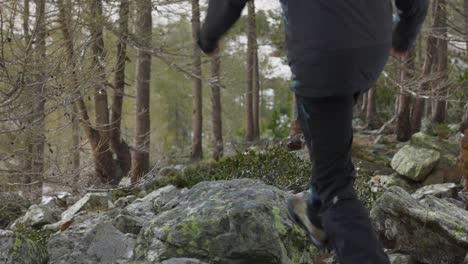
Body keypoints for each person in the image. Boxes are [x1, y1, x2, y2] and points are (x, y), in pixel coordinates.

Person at [198, 0, 428, 263]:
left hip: (322, 54)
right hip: (371, 48)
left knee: (335, 186)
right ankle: (315, 209)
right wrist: (403, 34)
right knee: (330, 136)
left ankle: (326, 202)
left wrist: (209, 35)